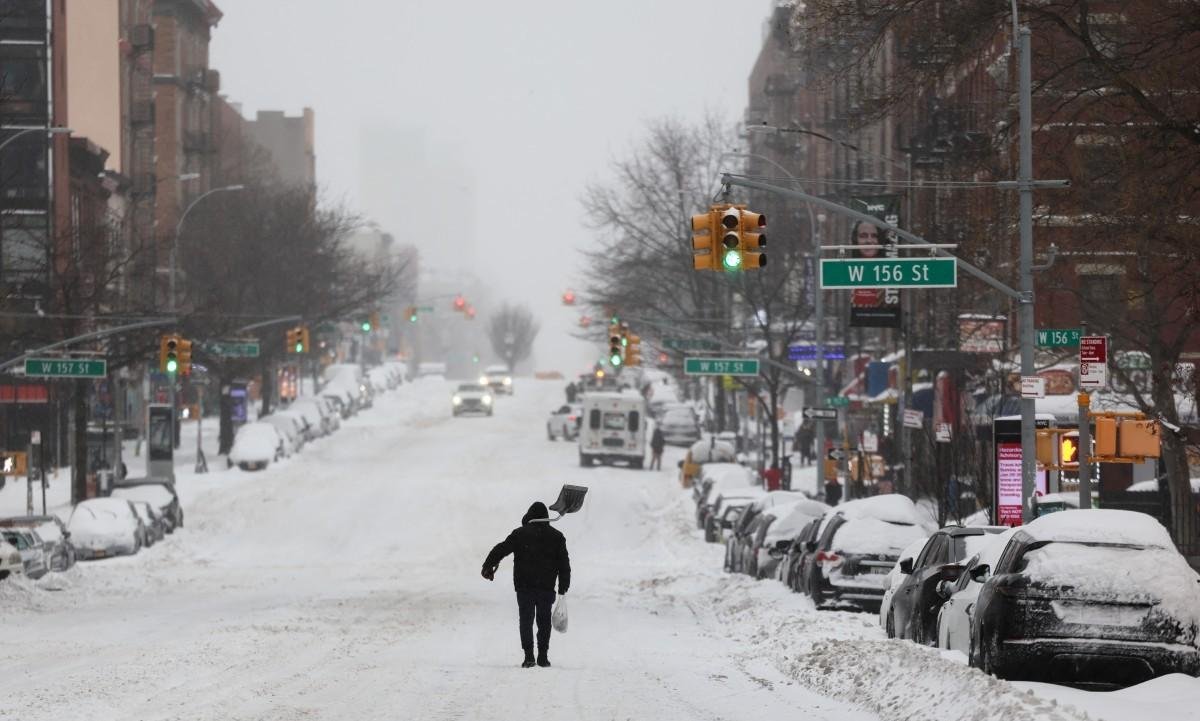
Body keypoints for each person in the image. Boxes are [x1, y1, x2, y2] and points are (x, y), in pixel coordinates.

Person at [481, 502, 571, 668]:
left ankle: (529, 657)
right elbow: (564, 564)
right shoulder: (557, 537)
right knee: (544, 621)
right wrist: (563, 587)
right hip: (546, 587)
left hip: (525, 587)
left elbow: (501, 549)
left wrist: (488, 565)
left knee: (526, 620)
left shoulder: (520, 534)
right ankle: (543, 656)